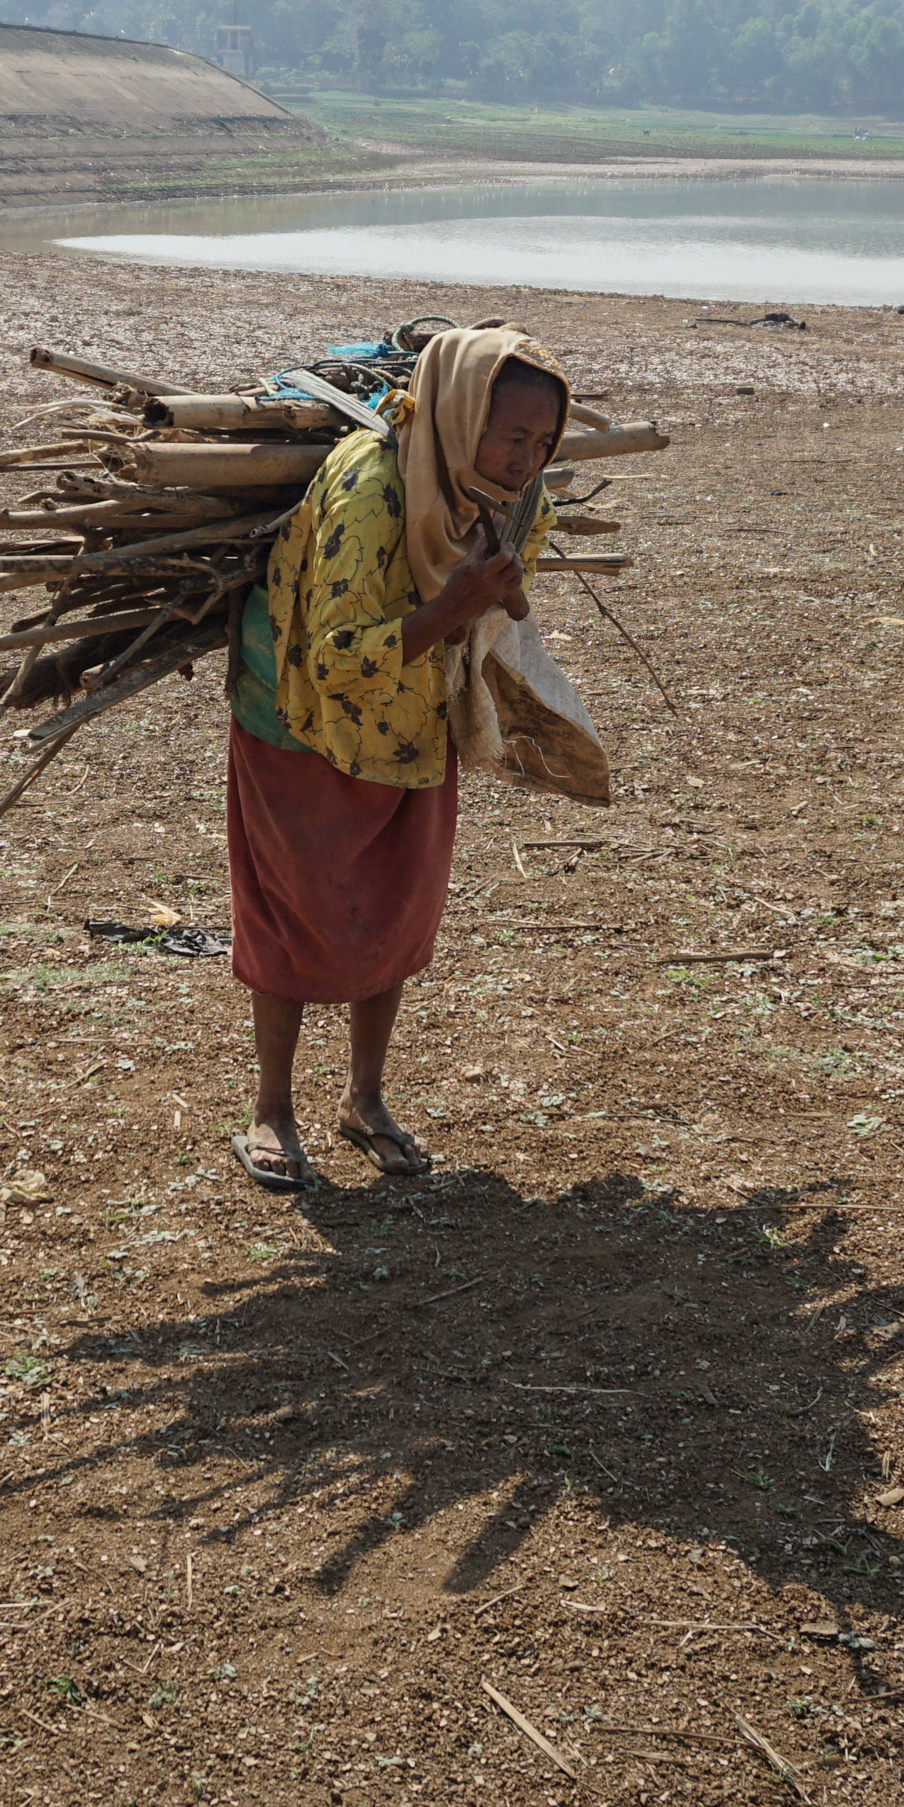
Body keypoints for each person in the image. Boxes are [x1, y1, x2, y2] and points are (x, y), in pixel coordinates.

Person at [220, 323, 570, 1189]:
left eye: (544, 441)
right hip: (299, 716)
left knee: (396, 909)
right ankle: (272, 1109)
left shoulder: (515, 496)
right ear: (462, 415)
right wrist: (453, 604)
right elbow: (333, 659)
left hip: (414, 718)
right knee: (290, 913)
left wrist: (489, 590)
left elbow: (512, 587)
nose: (528, 458)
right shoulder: (372, 487)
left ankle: (364, 1099)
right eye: (513, 435)